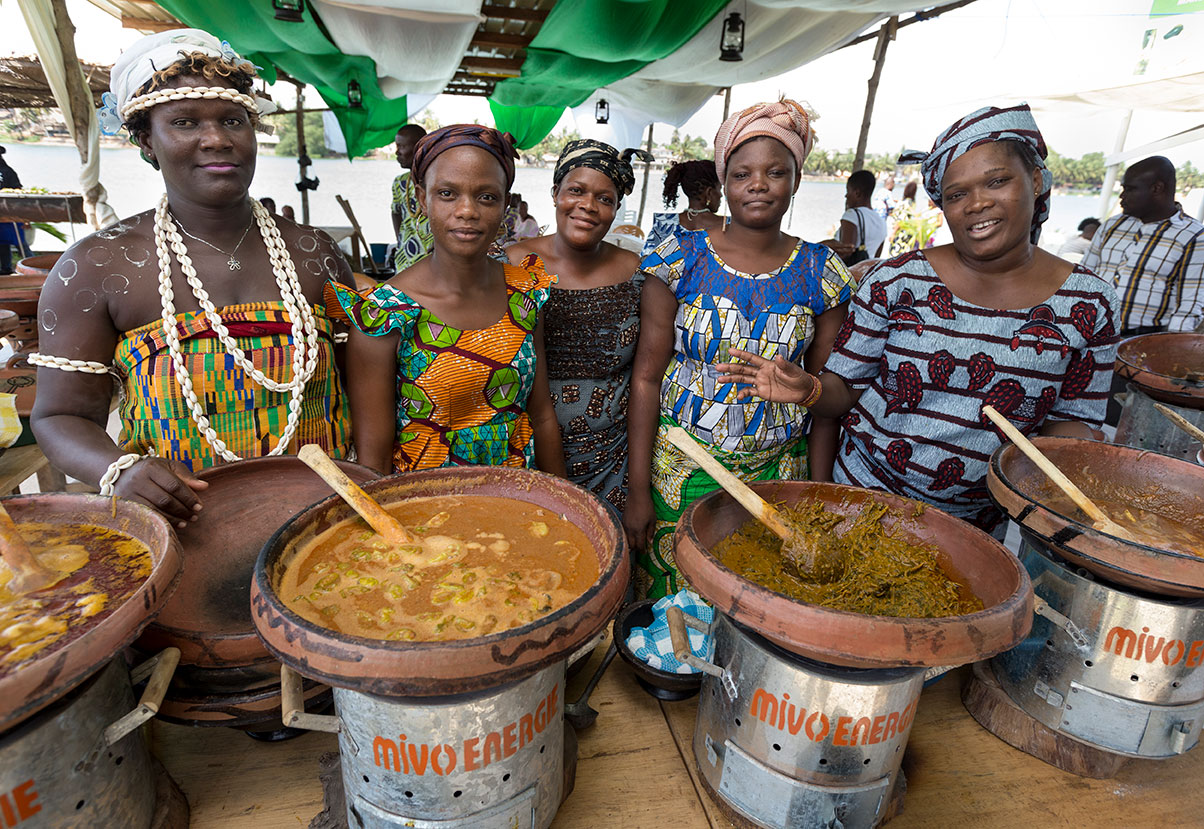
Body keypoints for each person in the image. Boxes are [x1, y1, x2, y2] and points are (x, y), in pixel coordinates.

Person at [721, 104, 1119, 539]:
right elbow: (842, 393)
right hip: (858, 504)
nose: (978, 203)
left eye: (997, 181)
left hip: (975, 529)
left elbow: (1073, 425)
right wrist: (809, 389)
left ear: (1037, 179)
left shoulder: (1090, 302)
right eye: (956, 194)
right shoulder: (897, 281)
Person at [29, 29, 352, 528]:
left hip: (326, 520)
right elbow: (58, 417)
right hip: (185, 526)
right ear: (145, 142)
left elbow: (365, 385)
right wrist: (120, 469)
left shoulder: (314, 254)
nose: (217, 139)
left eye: (233, 120)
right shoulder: (97, 267)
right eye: (183, 122)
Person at [625, 100, 855, 599]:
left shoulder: (822, 271)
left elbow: (834, 399)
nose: (759, 184)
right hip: (680, 472)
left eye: (777, 171)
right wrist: (638, 489)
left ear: (796, 180)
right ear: (724, 181)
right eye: (742, 172)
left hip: (778, 475)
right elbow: (645, 377)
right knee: (674, 612)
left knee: (757, 609)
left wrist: (816, 494)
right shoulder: (679, 257)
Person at [329, 125, 565, 477]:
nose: (467, 210)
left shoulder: (525, 294)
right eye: (447, 194)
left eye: (486, 196)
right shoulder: (386, 313)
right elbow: (373, 462)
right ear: (423, 199)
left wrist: (566, 505)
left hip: (519, 503)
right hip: (425, 512)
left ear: (506, 204)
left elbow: (542, 414)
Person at [507, 139, 647, 512]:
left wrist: (639, 488)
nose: (588, 205)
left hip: (613, 461)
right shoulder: (509, 265)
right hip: (525, 454)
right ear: (555, 193)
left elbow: (643, 378)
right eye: (576, 190)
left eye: (605, 198)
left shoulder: (636, 272)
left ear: (616, 209)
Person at [1081, 157, 1203, 334]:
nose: (1122, 196)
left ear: (1157, 189)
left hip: (1142, 338)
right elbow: (1084, 276)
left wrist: (1171, 348)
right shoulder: (1112, 225)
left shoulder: (1193, 235)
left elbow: (1188, 306)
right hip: (1090, 330)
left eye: (1130, 189)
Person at [642, 160, 723, 256]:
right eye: (719, 189)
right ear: (709, 192)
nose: (721, 195)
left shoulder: (664, 223)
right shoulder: (728, 226)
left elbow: (646, 262)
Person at [390, 123, 432, 272]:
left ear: (418, 148)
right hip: (405, 258)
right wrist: (400, 240)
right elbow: (395, 212)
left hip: (432, 259)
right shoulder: (400, 182)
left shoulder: (437, 181)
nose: (397, 152)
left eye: (401, 146)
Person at [838, 169, 886, 265]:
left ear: (857, 193)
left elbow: (845, 252)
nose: (846, 195)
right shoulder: (881, 222)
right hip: (865, 275)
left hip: (848, 275)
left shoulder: (851, 214)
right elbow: (876, 258)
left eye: (848, 191)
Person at [0, 146, 26, 274]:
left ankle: (32, 267)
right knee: (3, 244)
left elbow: (18, 190)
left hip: (10, 214)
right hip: (4, 215)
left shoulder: (7, 172)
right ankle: (6, 269)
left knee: (19, 243)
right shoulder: (8, 171)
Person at [886, 180, 920, 256]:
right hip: (906, 234)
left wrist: (893, 234)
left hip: (900, 234)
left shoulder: (905, 203)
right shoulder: (911, 203)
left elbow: (900, 220)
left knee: (894, 257)